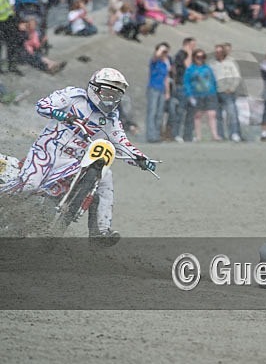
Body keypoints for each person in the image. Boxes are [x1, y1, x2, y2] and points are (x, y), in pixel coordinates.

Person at [0, 68, 156, 244]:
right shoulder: (73, 96)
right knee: (29, 185)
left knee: (106, 175)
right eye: (106, 93)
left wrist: (141, 159)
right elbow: (42, 105)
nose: (110, 98)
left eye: (114, 95)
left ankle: (100, 231)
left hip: (74, 161)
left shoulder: (111, 118)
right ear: (94, 88)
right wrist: (58, 113)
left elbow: (122, 143)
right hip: (47, 151)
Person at [184, 48, 221, 141]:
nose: (200, 59)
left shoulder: (207, 68)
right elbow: (186, 82)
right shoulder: (190, 69)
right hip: (197, 95)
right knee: (198, 115)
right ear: (194, 57)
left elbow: (213, 80)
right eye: (198, 57)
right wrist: (189, 95)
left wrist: (215, 90)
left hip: (210, 93)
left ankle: (215, 135)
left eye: (202, 57)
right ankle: (198, 136)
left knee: (212, 114)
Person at [211, 43, 242, 142]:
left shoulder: (230, 62)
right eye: (216, 52)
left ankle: (234, 133)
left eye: (220, 51)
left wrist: (232, 88)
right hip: (216, 92)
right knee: (217, 115)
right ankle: (220, 134)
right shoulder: (212, 64)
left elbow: (237, 77)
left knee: (231, 113)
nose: (218, 53)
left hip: (227, 92)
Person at [169, 37, 196, 142]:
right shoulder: (180, 54)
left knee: (191, 112)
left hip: (191, 87)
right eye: (192, 45)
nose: (194, 47)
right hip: (182, 86)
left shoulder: (191, 55)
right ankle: (176, 134)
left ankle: (188, 135)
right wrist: (189, 53)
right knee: (180, 111)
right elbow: (188, 67)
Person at [146, 42, 171, 143]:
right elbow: (155, 57)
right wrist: (160, 50)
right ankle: (150, 135)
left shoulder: (165, 63)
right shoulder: (154, 61)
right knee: (152, 112)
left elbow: (166, 78)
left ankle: (157, 134)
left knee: (159, 113)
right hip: (153, 88)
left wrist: (167, 92)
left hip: (161, 89)